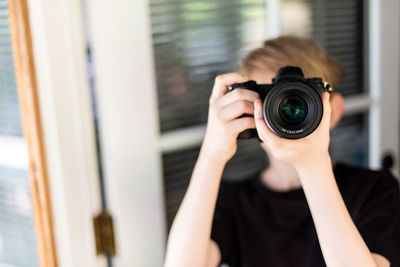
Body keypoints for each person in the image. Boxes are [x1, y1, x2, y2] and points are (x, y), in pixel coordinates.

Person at [163, 36, 400, 267]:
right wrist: (212, 153)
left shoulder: (376, 189)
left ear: (333, 111)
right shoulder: (233, 201)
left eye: (297, 99)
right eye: (268, 101)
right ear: (245, 110)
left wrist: (313, 166)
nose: (282, 114)